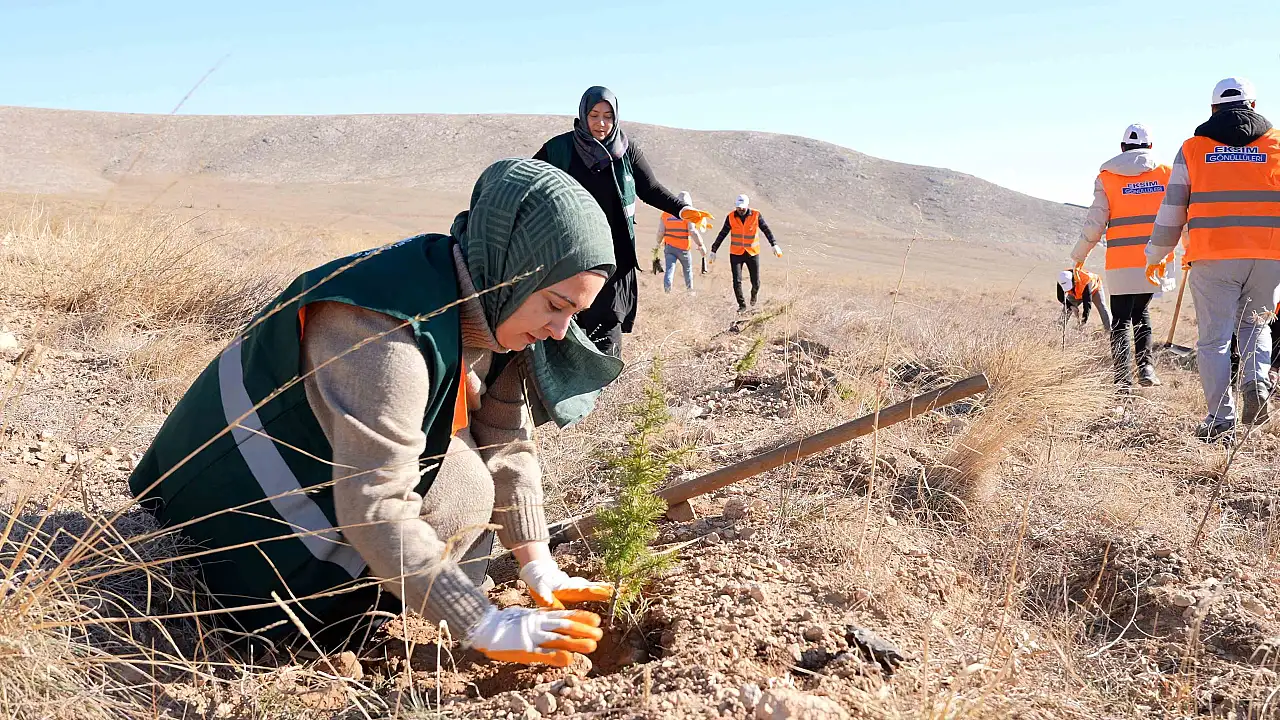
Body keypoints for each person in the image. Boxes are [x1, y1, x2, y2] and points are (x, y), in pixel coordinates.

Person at [130, 159, 620, 667]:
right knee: (461, 492)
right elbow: (374, 503)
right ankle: (319, 630)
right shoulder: (385, 332)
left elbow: (506, 433)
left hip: (323, 468)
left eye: (574, 313)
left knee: (468, 471)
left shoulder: (490, 293)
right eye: (555, 306)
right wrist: (478, 619)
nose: (561, 331)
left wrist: (539, 565)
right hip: (220, 512)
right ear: (512, 267)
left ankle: (422, 602)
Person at [1145, 77, 1280, 441]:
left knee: (1215, 341)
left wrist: (1156, 253)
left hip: (1212, 256)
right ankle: (1256, 382)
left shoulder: (1193, 148)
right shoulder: (1277, 143)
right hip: (1269, 255)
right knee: (1257, 325)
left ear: (1212, 109)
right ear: (1253, 106)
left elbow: (1173, 207)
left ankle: (1221, 421)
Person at [534, 86, 712, 356]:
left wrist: (683, 210)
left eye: (608, 116)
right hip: (570, 254)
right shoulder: (559, 150)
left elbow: (650, 188)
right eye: (594, 115)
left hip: (614, 256)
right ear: (583, 114)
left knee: (607, 325)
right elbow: (530, 182)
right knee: (567, 323)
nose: (601, 123)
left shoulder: (626, 150)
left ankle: (604, 388)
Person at [1071, 123, 1175, 388]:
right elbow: (1179, 214)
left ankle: (1122, 380)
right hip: (1153, 259)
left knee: (1120, 320)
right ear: (1150, 146)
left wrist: (1080, 254)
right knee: (1141, 311)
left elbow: (1096, 221)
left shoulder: (1107, 177)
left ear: (1122, 147)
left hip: (1119, 259)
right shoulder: (1166, 174)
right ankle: (1146, 367)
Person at [710, 194, 784, 313]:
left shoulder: (756, 215)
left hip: (752, 253)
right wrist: (714, 250)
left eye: (743, 207)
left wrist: (774, 244)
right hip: (736, 253)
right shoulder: (730, 217)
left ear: (747, 205)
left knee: (755, 281)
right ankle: (742, 305)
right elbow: (722, 233)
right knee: (736, 280)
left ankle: (754, 295)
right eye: (738, 207)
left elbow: (766, 230)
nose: (741, 209)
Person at [655, 190, 707, 293]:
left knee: (669, 270)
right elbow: (692, 231)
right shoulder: (688, 215)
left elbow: (661, 231)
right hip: (684, 249)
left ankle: (667, 292)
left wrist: (658, 243)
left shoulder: (666, 214)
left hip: (669, 248)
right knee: (687, 271)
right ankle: (690, 292)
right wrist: (701, 245)